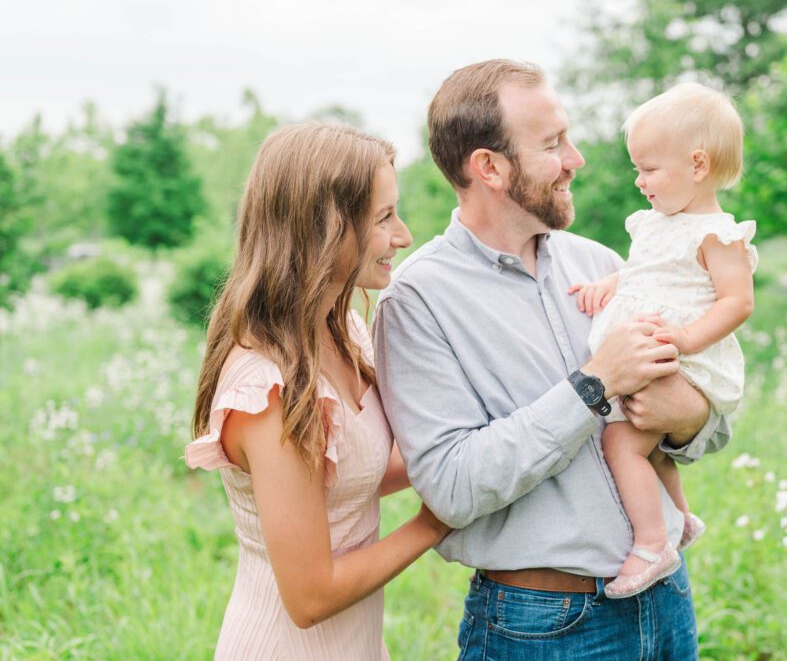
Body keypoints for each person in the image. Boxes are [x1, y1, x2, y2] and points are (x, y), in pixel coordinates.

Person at [374, 60, 731, 659]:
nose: (577, 158)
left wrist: (688, 417)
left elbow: (706, 430)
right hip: (543, 626)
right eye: (552, 143)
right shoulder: (418, 299)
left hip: (667, 599)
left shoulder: (603, 263)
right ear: (489, 167)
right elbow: (451, 487)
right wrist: (594, 385)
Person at [184, 123, 447, 660]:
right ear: (324, 227)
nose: (404, 235)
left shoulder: (342, 328)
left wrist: (468, 456)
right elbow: (310, 596)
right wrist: (436, 521)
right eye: (384, 218)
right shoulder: (268, 388)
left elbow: (358, 470)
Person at [569, 82, 757, 598]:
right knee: (651, 449)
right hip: (654, 348)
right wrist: (607, 285)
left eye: (649, 169)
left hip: (681, 357)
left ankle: (653, 543)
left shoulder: (719, 235)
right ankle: (680, 516)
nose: (638, 181)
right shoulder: (655, 224)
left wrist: (688, 338)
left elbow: (737, 302)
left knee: (621, 442)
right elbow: (642, 274)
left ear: (698, 165)